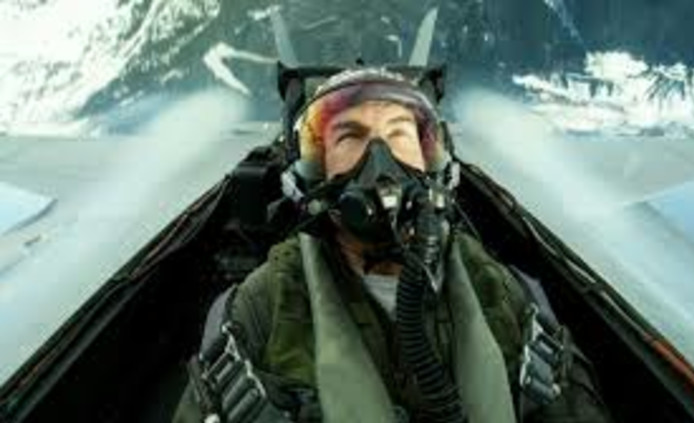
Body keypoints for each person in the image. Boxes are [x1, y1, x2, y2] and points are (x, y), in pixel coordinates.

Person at [173, 68, 613, 423]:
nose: (380, 158)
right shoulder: (263, 306)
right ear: (315, 172)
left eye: (399, 132)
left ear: (431, 159)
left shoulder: (501, 293)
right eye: (350, 136)